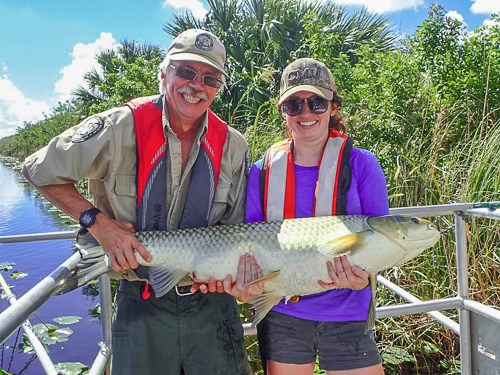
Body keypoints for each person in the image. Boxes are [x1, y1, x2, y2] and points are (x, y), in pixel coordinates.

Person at [23, 29, 262, 375]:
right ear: (164, 73)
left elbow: (234, 229)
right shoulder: (119, 126)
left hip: (213, 307)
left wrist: (225, 274)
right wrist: (98, 224)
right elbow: (37, 169)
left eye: (210, 78)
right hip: (142, 301)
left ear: (218, 89)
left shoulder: (234, 145)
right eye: (186, 72)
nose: (196, 85)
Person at [245, 58, 389, 375]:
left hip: (348, 310)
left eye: (316, 102)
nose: (306, 113)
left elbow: (380, 239)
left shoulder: (363, 164)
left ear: (333, 107)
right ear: (283, 112)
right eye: (294, 104)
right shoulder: (261, 171)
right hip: (284, 312)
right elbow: (250, 246)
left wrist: (362, 277)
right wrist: (247, 284)